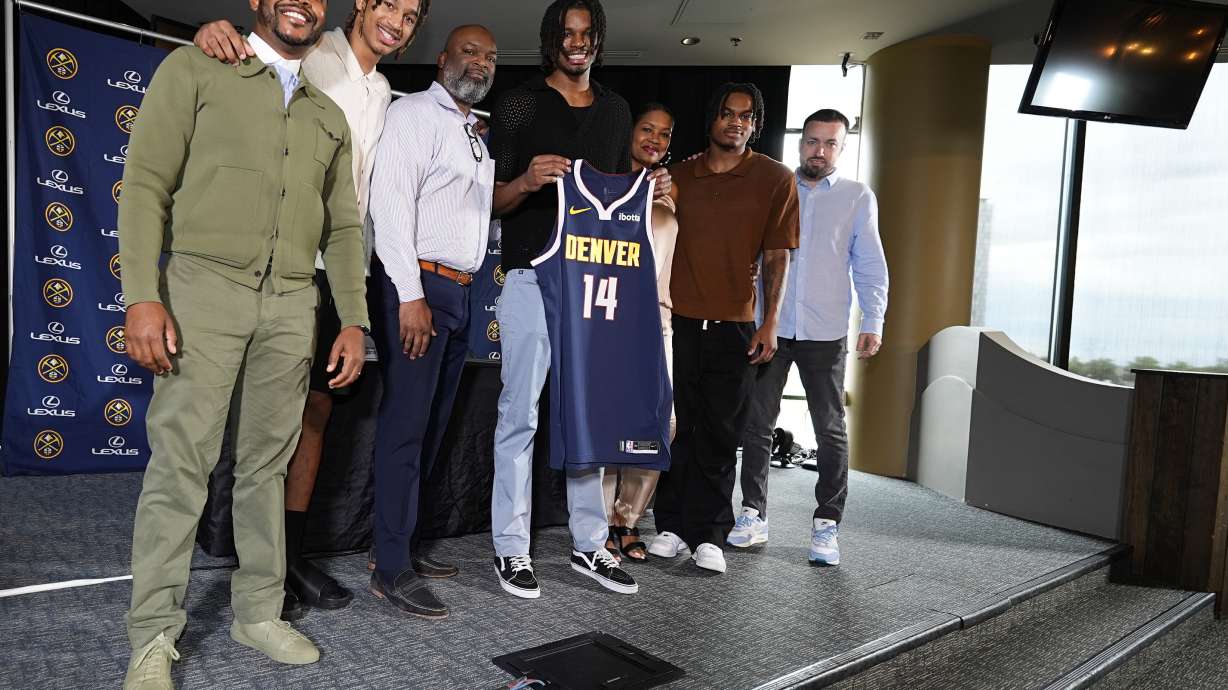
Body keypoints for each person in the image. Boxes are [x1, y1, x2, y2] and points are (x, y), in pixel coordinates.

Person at [119, 0, 368, 686]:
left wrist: (352, 317)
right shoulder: (197, 67)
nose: (302, 3)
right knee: (181, 465)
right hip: (202, 289)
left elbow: (344, 228)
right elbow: (144, 184)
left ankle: (258, 611)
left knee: (267, 467)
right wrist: (142, 295)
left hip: (292, 304)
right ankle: (152, 637)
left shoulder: (329, 116)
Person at [191, 0, 429, 620]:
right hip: (281, 259)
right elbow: (242, 63)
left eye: (409, 16)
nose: (396, 22)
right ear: (362, 6)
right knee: (265, 413)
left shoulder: (383, 91)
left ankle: (288, 558)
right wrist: (214, 33)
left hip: (341, 269)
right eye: (388, 6)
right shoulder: (312, 52)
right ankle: (252, 559)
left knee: (316, 411)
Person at [487, 0, 670, 598]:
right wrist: (524, 182)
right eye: (566, 34)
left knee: (589, 413)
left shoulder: (615, 110)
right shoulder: (518, 103)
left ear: (598, 42)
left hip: (594, 285)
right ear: (550, 40)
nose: (576, 43)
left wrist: (653, 184)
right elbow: (491, 200)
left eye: (587, 34)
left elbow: (618, 198)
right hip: (529, 277)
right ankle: (511, 548)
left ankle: (589, 546)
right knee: (521, 414)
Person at [366, 24, 498, 620]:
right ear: (442, 59)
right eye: (469, 52)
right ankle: (390, 566)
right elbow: (390, 206)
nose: (480, 63)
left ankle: (403, 545)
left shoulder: (472, 133)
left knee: (433, 429)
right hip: (419, 286)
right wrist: (410, 295)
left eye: (490, 57)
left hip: (460, 293)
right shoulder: (414, 114)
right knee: (405, 429)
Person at [648, 82, 799, 574]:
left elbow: (778, 254)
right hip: (678, 320)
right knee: (678, 427)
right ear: (711, 119)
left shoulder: (776, 179)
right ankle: (669, 524)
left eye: (746, 115)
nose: (736, 122)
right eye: (727, 113)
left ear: (754, 123)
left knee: (720, 431)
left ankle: (710, 532)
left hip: (737, 324)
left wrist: (770, 321)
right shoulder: (679, 176)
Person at [731, 109, 888, 565]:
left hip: (825, 330)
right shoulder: (774, 188)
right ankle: (752, 514)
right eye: (812, 141)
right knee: (756, 425)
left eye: (830, 143)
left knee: (830, 428)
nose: (819, 151)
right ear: (800, 143)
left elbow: (870, 264)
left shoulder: (858, 197)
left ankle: (826, 525)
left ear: (842, 148)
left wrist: (872, 321)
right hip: (771, 327)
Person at [599, 102, 678, 563]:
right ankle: (603, 520)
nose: (655, 139)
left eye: (665, 134)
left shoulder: (670, 190)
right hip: (609, 320)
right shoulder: (604, 185)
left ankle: (628, 518)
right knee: (610, 421)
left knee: (659, 422)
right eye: (647, 129)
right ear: (629, 133)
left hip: (658, 322)